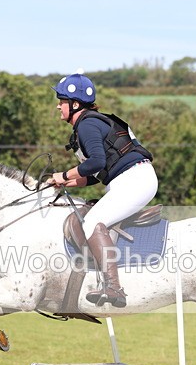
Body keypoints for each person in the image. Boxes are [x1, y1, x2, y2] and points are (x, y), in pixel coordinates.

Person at [47, 72, 158, 308]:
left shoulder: (87, 124)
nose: (58, 106)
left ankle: (114, 288)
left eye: (61, 100)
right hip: (128, 179)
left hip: (134, 179)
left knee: (93, 221)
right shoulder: (89, 124)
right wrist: (66, 182)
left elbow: (95, 162)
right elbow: (95, 175)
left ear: (74, 104)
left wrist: (64, 175)